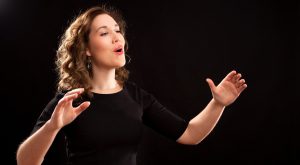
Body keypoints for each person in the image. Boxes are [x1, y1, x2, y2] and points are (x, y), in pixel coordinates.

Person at [16, 5, 247, 165]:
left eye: (118, 30)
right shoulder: (69, 101)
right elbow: (25, 161)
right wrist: (52, 127)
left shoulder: (137, 97)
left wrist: (218, 104)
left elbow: (189, 134)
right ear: (86, 49)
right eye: (104, 33)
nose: (118, 37)